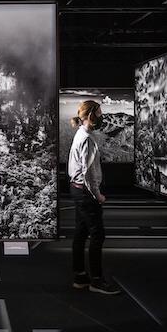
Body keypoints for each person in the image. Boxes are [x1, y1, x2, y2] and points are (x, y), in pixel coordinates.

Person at [68, 100, 121, 295]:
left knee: (81, 233)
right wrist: (97, 195)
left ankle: (80, 277)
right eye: (99, 113)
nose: (102, 116)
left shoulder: (80, 134)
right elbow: (89, 173)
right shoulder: (88, 140)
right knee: (98, 235)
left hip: (76, 189)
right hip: (86, 193)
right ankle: (97, 281)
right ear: (90, 116)